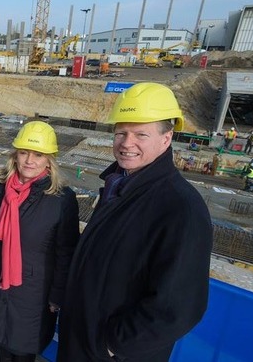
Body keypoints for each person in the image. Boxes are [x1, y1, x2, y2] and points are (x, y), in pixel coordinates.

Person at [58, 82, 212, 362]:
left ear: (166, 138)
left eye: (141, 134)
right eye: (121, 133)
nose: (127, 143)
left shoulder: (181, 209)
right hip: (82, 339)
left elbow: (177, 307)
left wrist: (112, 344)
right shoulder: (119, 186)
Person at [0, 121, 79, 362]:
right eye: (24, 152)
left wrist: (57, 296)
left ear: (50, 160)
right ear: (15, 155)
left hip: (34, 295)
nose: (29, 161)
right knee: (2, 348)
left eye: (38, 155)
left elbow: (66, 252)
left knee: (23, 353)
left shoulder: (61, 199)